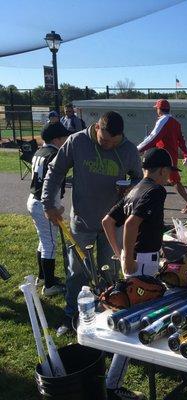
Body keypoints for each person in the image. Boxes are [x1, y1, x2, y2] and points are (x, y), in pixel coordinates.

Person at [42, 111, 142, 335]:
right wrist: (49, 203)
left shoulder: (128, 149)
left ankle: (106, 313)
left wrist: (131, 187)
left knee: (110, 271)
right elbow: (55, 171)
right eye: (104, 141)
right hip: (82, 221)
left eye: (113, 143)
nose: (108, 146)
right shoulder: (77, 141)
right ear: (97, 127)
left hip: (114, 223)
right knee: (77, 272)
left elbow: (139, 178)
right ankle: (71, 316)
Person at [101, 148, 175, 400]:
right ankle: (113, 385)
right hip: (142, 262)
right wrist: (128, 256)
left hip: (136, 259)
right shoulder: (156, 190)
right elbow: (131, 224)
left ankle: (125, 370)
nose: (169, 178)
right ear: (162, 170)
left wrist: (120, 253)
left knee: (134, 313)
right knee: (133, 320)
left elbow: (107, 222)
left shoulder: (135, 188)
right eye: (169, 173)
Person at [27, 122, 70, 295]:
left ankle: (44, 276)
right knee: (49, 244)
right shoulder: (54, 154)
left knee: (44, 241)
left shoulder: (40, 151)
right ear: (56, 139)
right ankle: (50, 286)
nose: (66, 140)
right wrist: (54, 207)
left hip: (33, 200)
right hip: (44, 203)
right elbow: (51, 185)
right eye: (64, 137)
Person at [137, 99, 187, 213]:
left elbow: (153, 137)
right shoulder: (175, 122)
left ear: (159, 109)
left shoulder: (163, 120)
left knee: (155, 178)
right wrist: (186, 155)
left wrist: (138, 149)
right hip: (169, 156)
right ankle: (147, 202)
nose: (156, 111)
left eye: (157, 109)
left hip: (162, 157)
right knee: (167, 180)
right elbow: (181, 140)